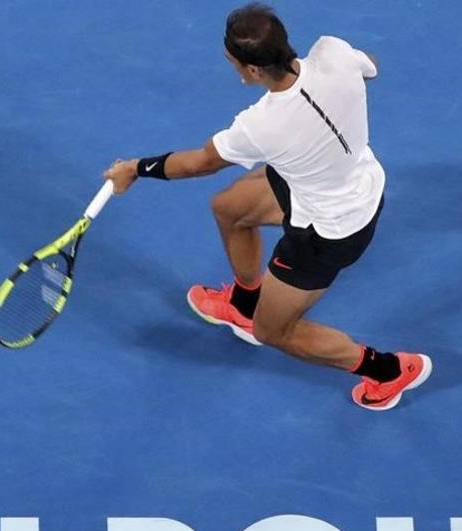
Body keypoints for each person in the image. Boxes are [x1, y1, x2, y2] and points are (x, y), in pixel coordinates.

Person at [103, 3, 430, 411]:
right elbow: (372, 66)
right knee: (229, 209)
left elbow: (199, 164)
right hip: (342, 179)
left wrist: (134, 169)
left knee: (273, 332)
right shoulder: (333, 51)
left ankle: (387, 372)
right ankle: (243, 302)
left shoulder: (260, 126)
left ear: (252, 71)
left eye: (233, 63)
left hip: (330, 230)